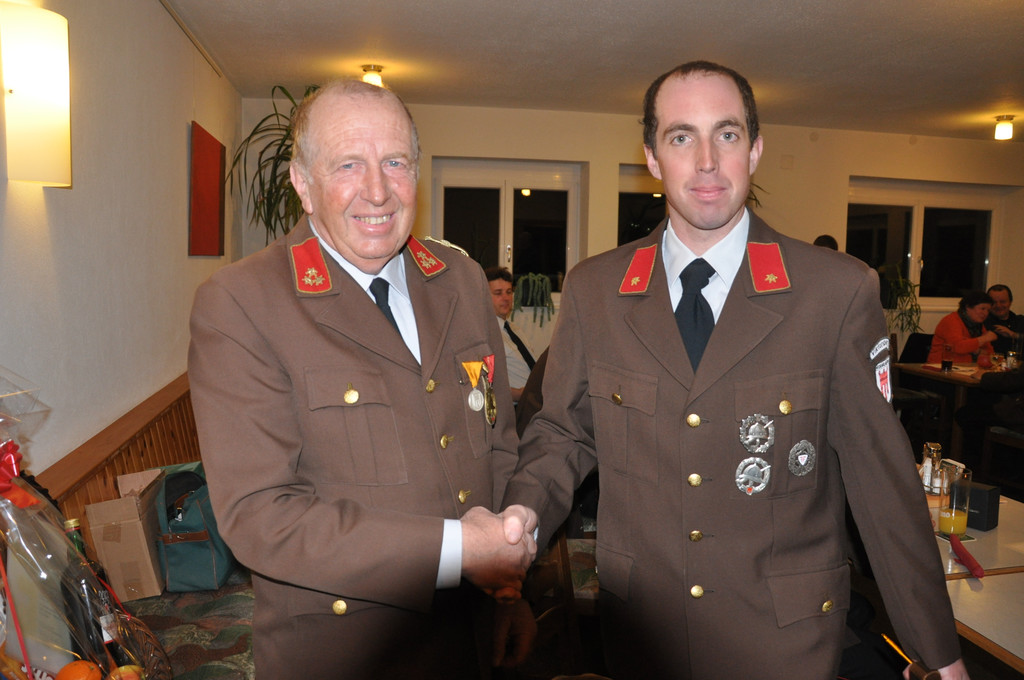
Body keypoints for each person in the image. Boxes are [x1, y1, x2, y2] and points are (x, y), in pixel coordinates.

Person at [498, 61, 968, 679]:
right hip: (644, 634)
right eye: (681, 137)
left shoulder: (834, 292)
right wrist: (521, 516)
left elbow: (882, 481)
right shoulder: (596, 291)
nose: (707, 162)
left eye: (726, 134)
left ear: (755, 149)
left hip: (785, 639)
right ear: (652, 157)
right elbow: (563, 432)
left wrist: (939, 654)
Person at [188, 79, 536, 679]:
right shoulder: (243, 302)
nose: (377, 190)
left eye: (395, 162)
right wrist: (459, 550)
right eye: (348, 164)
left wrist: (507, 594)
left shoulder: (459, 278)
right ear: (302, 183)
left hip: (472, 640)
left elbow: (497, 448)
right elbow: (261, 517)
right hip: (345, 653)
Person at [485, 266, 539, 402]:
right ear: (484, 297)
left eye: (509, 292)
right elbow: (483, 384)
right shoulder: (485, 335)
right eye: (498, 293)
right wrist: (520, 395)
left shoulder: (515, 330)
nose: (506, 298)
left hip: (535, 400)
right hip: (514, 405)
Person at [928, 291, 996, 364]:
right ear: (968, 307)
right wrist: (984, 339)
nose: (985, 313)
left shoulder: (979, 325)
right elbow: (958, 347)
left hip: (967, 367)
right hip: (941, 366)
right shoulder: (951, 320)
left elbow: (990, 353)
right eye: (982, 309)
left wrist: (976, 349)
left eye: (988, 310)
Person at [984, 284, 1024, 355]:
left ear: (1010, 302)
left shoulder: (1021, 321)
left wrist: (1013, 335)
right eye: (994, 302)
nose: (998, 305)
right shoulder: (982, 323)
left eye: (1002, 302)